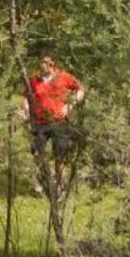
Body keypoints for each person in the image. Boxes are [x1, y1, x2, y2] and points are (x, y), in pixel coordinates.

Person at [24, 53, 85, 185]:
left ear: (53, 64)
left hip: (59, 121)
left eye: (48, 63)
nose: (44, 65)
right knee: (36, 151)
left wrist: (70, 105)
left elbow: (80, 89)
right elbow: (26, 97)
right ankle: (45, 178)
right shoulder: (34, 80)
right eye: (43, 62)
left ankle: (60, 186)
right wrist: (27, 109)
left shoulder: (63, 77)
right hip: (41, 121)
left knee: (60, 157)